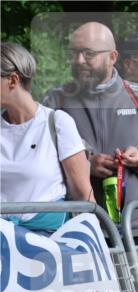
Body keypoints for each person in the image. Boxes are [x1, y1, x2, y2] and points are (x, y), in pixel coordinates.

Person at [42, 22, 138, 243]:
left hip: (136, 228)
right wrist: (85, 165)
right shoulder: (55, 100)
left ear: (112, 57)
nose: (79, 60)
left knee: (137, 280)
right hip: (77, 227)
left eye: (88, 53)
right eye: (74, 53)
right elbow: (38, 161)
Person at [1, 42, 93, 232]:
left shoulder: (57, 122)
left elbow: (83, 194)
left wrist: (95, 241)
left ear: (12, 80)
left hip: (49, 248)